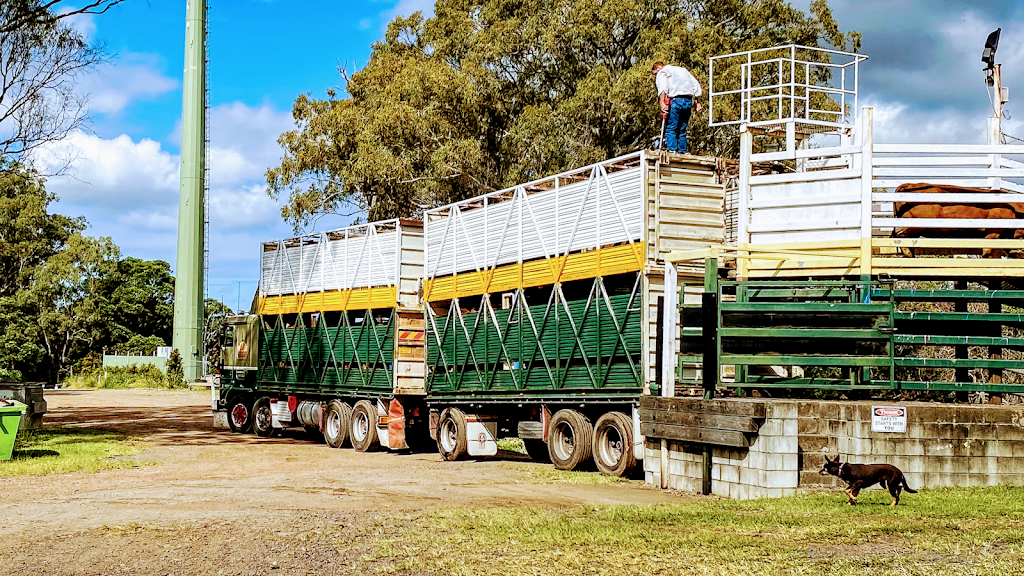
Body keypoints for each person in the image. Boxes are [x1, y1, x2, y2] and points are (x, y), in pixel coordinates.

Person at [652, 61, 703, 154]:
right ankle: (682, 151)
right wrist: (697, 102)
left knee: (671, 127)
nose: (656, 76)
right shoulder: (683, 70)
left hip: (676, 100)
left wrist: (662, 104)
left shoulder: (663, 72)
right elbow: (695, 85)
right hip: (688, 101)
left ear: (657, 68)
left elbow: (662, 88)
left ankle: (672, 150)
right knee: (682, 129)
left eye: (655, 74)